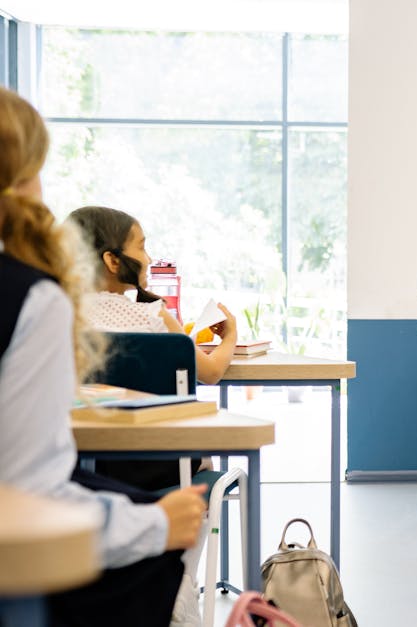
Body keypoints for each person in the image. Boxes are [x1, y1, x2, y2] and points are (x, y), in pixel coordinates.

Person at [0, 86, 207, 627]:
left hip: (100, 461)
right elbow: (27, 493)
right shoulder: (34, 300)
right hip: (34, 544)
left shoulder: (63, 304)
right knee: (177, 514)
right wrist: (156, 525)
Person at [66, 205, 238, 386]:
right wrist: (230, 335)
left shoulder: (62, 317)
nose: (149, 259)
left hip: (81, 414)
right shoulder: (154, 317)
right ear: (113, 261)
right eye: (142, 248)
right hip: (153, 415)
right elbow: (211, 373)